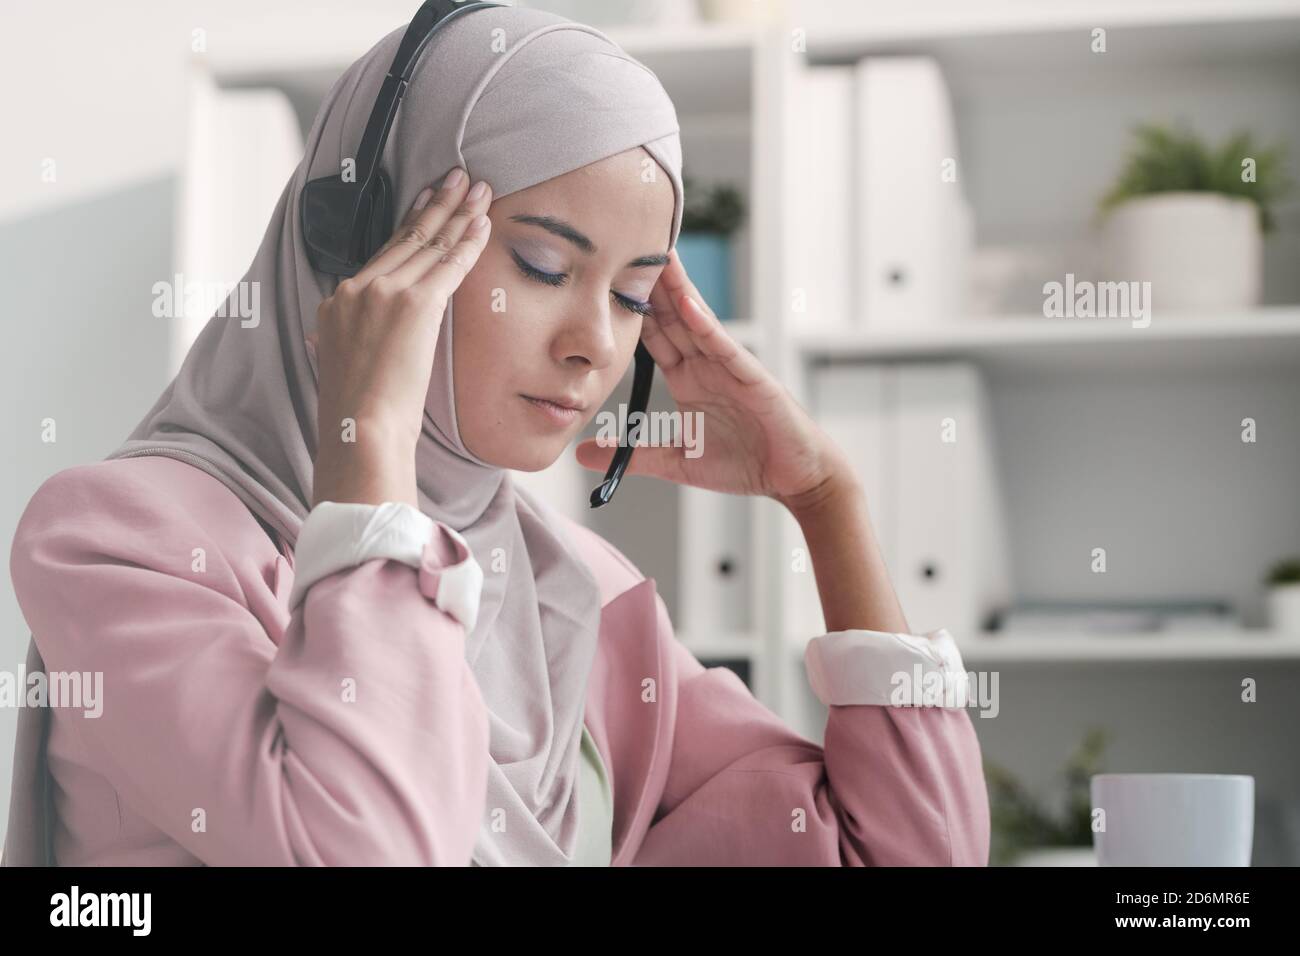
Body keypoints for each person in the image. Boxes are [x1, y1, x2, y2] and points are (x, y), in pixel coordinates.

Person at [3, 4, 988, 866]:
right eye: (544, 266)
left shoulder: (574, 589)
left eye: (634, 293)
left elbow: (910, 853)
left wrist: (825, 499)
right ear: (361, 246)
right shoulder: (118, 539)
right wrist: (369, 441)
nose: (594, 346)